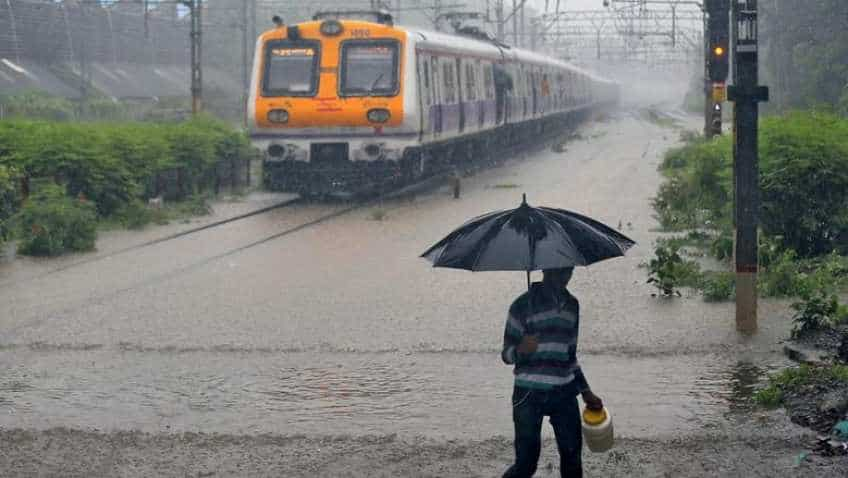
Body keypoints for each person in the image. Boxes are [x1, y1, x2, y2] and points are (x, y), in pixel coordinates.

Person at [501, 267, 603, 478]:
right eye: (558, 270)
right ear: (546, 268)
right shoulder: (521, 306)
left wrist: (586, 392)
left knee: (573, 460)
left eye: (568, 270)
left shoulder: (572, 306)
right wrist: (521, 349)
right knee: (526, 464)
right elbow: (506, 355)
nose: (564, 275)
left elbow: (570, 356)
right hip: (528, 394)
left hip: (564, 391)